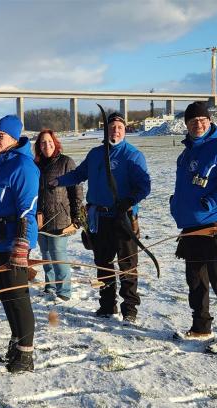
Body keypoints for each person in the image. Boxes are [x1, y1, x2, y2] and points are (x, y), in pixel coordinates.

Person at [52, 112, 151, 322]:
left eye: (120, 127)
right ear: (106, 130)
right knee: (103, 264)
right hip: (100, 218)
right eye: (112, 127)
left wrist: (130, 200)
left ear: (125, 131)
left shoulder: (133, 155)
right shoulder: (96, 154)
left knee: (127, 265)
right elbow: (79, 174)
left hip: (123, 218)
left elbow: (144, 186)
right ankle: (107, 306)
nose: (116, 130)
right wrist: (58, 182)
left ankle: (129, 310)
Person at [170, 101, 217, 352]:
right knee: (196, 281)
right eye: (193, 121)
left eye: (203, 120)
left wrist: (210, 202)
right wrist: (175, 205)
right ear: (186, 124)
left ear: (210, 121)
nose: (198, 124)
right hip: (191, 228)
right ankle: (201, 326)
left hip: (216, 226)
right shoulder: (185, 154)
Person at [0, 115, 39, 373]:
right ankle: (15, 345)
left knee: (18, 297)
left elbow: (28, 208)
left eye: (0, 136)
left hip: (13, 243)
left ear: (14, 138)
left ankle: (25, 355)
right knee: (5, 296)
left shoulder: (23, 166)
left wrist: (22, 245)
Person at [34, 129, 83, 301]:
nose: (46, 145)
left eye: (49, 141)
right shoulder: (35, 165)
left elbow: (76, 189)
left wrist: (77, 214)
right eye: (43, 142)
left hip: (60, 216)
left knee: (58, 254)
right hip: (40, 217)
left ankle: (64, 291)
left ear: (55, 143)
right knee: (45, 254)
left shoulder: (66, 162)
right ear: (38, 146)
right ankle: (50, 285)